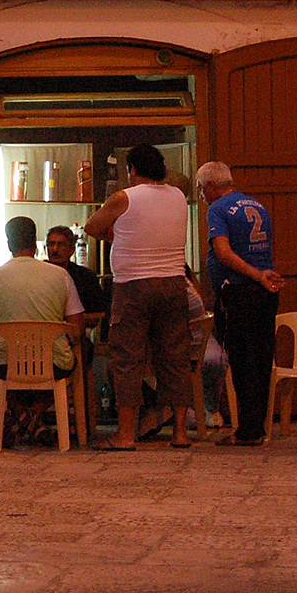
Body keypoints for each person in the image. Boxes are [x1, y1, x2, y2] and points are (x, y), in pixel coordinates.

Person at [83, 144, 192, 450]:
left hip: (133, 287)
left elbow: (93, 226)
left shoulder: (123, 198)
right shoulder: (178, 197)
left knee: (127, 359)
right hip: (173, 284)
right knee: (175, 358)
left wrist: (116, 236)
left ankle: (125, 434)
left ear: (132, 170)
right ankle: (181, 432)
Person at [0, 215, 85, 446]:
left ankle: (22, 417)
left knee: (5, 365)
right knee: (64, 359)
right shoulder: (60, 275)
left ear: (8, 243)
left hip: (7, 364)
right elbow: (77, 327)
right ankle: (35, 418)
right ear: (35, 242)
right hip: (53, 364)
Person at [195, 161, 284, 446]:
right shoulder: (257, 205)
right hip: (266, 293)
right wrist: (263, 276)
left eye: (201, 189)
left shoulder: (218, 209)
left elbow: (223, 252)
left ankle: (248, 431)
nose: (201, 195)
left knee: (243, 362)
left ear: (210, 185)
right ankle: (257, 426)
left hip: (239, 292)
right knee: (260, 360)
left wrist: (255, 276)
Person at [45, 224, 109, 321]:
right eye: (51, 244)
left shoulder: (85, 277)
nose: (55, 249)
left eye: (61, 244)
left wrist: (74, 318)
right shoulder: (38, 274)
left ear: (72, 250)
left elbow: (100, 313)